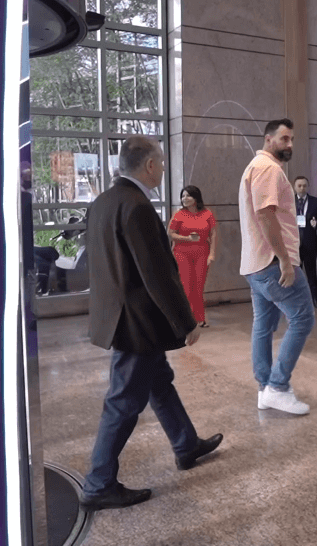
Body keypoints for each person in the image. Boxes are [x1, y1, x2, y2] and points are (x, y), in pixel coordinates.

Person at [81, 136, 222, 511]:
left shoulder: (103, 202)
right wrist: (186, 321)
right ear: (149, 165)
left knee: (159, 381)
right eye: (160, 162)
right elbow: (157, 275)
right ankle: (98, 484)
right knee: (123, 402)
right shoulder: (138, 207)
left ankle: (186, 444)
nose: (162, 168)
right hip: (136, 323)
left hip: (120, 317)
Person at [239, 118, 315, 415]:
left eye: (292, 139)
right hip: (271, 263)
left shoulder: (256, 167)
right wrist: (284, 259)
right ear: (268, 139)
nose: (290, 144)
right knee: (303, 318)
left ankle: (265, 389)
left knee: (263, 325)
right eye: (284, 138)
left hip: (256, 264)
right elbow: (265, 214)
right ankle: (277, 387)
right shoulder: (268, 168)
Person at [168, 185, 218, 327]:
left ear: (196, 198)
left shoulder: (207, 213)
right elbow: (170, 233)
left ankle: (199, 318)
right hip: (182, 253)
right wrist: (188, 238)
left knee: (199, 286)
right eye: (183, 196)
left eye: (188, 195)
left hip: (202, 252)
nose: (184, 198)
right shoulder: (179, 214)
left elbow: (213, 234)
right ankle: (188, 319)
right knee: (186, 286)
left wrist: (212, 254)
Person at [293, 176, 317, 309]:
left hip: (310, 242)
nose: (302, 188)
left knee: (311, 272)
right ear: (294, 187)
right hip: (294, 244)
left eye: (304, 185)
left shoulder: (315, 202)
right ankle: (296, 301)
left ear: (308, 187)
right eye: (299, 186)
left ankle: (314, 298)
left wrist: (316, 224)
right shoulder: (289, 201)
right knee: (295, 274)